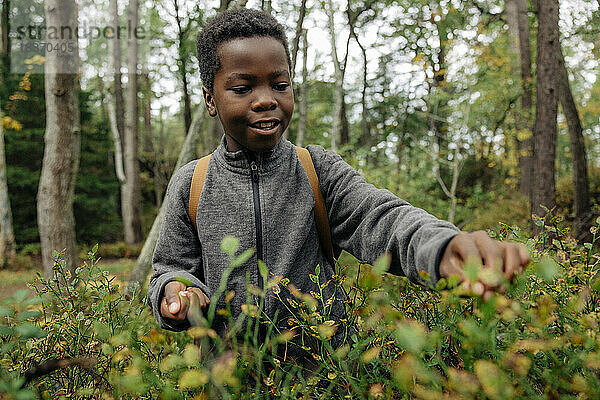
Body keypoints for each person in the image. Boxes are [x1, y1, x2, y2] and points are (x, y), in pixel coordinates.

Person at [147, 8, 529, 339]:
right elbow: (171, 268)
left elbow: (379, 217)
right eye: (243, 88)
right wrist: (176, 291)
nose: (266, 99)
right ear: (211, 99)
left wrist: (442, 248)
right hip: (225, 380)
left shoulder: (316, 170)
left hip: (322, 376)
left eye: (280, 85)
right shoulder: (191, 184)